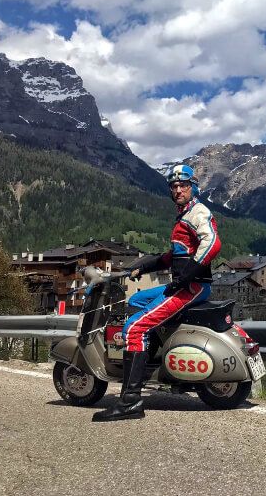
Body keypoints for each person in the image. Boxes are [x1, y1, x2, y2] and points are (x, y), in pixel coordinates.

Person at [92, 164, 221, 422]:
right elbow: (175, 256)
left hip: (191, 287)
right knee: (137, 299)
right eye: (173, 186)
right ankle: (148, 358)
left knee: (133, 328)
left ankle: (130, 401)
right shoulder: (184, 216)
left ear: (193, 187)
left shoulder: (198, 212)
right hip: (186, 284)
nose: (178, 190)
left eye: (183, 185)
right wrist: (146, 265)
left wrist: (189, 274)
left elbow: (213, 243)